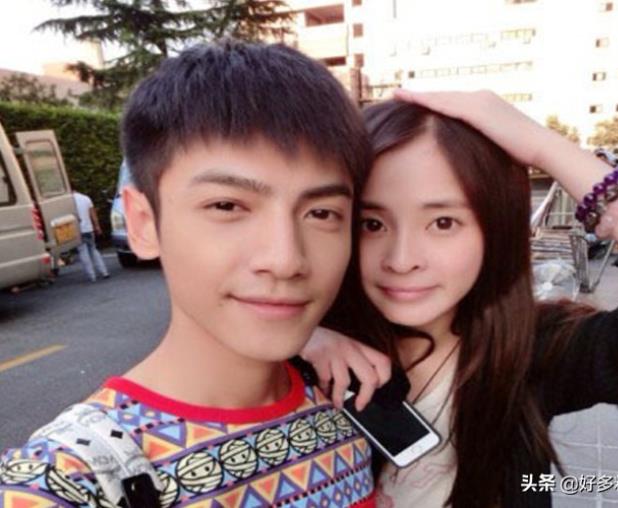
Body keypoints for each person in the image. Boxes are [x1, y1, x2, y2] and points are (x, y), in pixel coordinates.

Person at [0, 40, 378, 508]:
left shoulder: (346, 406)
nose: (286, 260)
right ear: (143, 224)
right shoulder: (66, 479)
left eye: (321, 213)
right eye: (227, 205)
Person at [302, 90, 618, 508]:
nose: (401, 260)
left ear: (495, 228)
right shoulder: (307, 352)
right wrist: (298, 338)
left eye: (443, 222)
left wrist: (543, 146)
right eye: (371, 223)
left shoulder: (532, 350)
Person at [73, 190, 110, 282]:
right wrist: (97, 226)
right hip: (88, 229)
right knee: (93, 249)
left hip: (77, 231)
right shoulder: (86, 198)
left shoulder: (67, 202)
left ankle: (91, 275)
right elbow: (93, 215)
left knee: (83, 252)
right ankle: (104, 271)